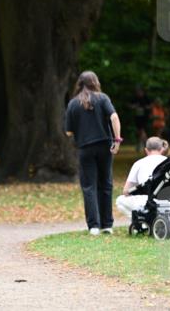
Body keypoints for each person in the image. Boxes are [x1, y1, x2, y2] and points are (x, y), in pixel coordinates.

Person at [64, 71, 122, 235]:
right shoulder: (103, 98)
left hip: (85, 148)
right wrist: (117, 140)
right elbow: (114, 118)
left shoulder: (73, 104)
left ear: (79, 84)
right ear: (95, 82)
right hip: (104, 146)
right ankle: (107, 225)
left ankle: (94, 226)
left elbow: (68, 132)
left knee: (89, 186)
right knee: (106, 184)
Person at [115, 137, 168, 219]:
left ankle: (140, 220)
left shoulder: (138, 164)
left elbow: (126, 191)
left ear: (146, 150)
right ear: (162, 149)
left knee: (119, 200)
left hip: (145, 201)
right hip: (168, 201)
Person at [129, 87, 150, 153]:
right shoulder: (135, 98)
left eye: (139, 92)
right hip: (137, 117)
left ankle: (146, 145)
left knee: (142, 131)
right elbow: (129, 105)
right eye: (137, 92)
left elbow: (150, 105)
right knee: (139, 131)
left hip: (144, 117)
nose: (138, 93)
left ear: (142, 92)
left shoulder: (146, 98)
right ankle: (142, 145)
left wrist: (146, 107)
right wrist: (133, 106)